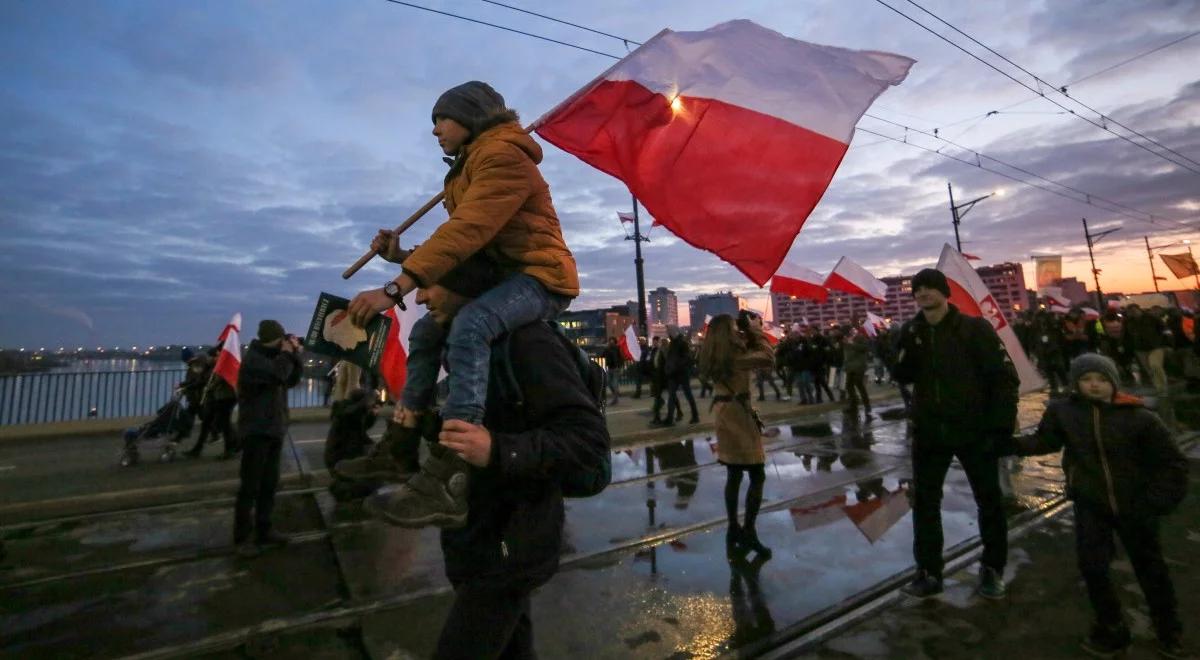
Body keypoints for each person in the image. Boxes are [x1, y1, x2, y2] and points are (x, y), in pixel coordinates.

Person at [345, 81, 579, 527]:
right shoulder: (469, 166)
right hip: (504, 276)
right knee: (426, 330)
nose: (435, 131)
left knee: (471, 324)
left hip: (539, 278)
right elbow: (466, 247)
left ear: (470, 116)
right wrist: (402, 256)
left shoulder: (503, 156)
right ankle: (400, 443)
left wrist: (395, 288)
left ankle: (450, 473)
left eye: (441, 120)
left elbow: (468, 230)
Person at [361, 253, 610, 658]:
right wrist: (420, 425)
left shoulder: (530, 343)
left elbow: (587, 440)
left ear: (466, 287)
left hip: (512, 540)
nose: (421, 298)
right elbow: (472, 429)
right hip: (473, 535)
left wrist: (497, 449)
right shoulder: (454, 342)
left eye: (430, 285)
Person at [999, 354, 1187, 658]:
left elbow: (1172, 463)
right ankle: (1111, 627)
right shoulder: (1064, 413)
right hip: (1091, 504)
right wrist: (1008, 443)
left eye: (1101, 379)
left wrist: (1157, 501)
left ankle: (1169, 630)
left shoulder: (1139, 417)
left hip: (1135, 505)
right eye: (1087, 380)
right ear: (1076, 384)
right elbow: (1045, 442)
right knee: (1093, 568)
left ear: (1112, 382)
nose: (1095, 385)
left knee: (1151, 569)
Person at [892, 269, 1019, 600]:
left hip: (973, 430)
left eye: (930, 288)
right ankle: (929, 571)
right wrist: (896, 349)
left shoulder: (974, 329)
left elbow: (1004, 379)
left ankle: (992, 569)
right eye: (918, 289)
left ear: (944, 292)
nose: (923, 294)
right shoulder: (913, 330)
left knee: (988, 502)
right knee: (925, 504)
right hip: (930, 432)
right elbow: (903, 375)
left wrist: (1000, 428)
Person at [700, 312, 775, 559]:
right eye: (734, 327)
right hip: (738, 416)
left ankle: (733, 528)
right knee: (757, 473)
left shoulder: (717, 354)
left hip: (725, 414)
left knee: (734, 474)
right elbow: (767, 357)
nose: (737, 330)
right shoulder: (734, 356)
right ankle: (749, 531)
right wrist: (755, 331)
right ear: (726, 332)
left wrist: (747, 335)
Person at [233, 320, 303, 558]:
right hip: (256, 431)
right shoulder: (254, 360)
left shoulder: (275, 358)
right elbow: (278, 374)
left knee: (269, 484)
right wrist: (286, 354)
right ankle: (242, 538)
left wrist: (295, 356)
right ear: (275, 339)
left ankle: (264, 529)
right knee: (250, 486)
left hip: (274, 429)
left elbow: (290, 379)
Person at [324, 388, 385, 502]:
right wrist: (371, 397)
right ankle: (344, 489)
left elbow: (364, 427)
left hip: (340, 461)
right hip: (339, 461)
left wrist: (373, 414)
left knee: (375, 466)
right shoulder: (347, 416)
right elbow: (356, 412)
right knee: (374, 481)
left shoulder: (349, 417)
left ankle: (346, 486)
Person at [661, 326, 700, 426]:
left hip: (682, 373)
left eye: (669, 332)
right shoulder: (672, 344)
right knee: (672, 396)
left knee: (688, 395)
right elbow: (670, 358)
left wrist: (675, 366)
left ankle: (695, 416)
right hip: (674, 374)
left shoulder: (682, 343)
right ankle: (670, 418)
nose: (668, 334)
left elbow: (686, 358)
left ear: (673, 333)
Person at [842, 321, 873, 421]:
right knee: (849, 386)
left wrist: (852, 344)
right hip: (850, 366)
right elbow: (846, 354)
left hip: (859, 366)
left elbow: (864, 348)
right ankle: (853, 405)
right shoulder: (845, 340)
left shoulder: (859, 337)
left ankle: (867, 406)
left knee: (859, 385)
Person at [601, 336, 624, 406]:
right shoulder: (607, 348)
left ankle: (615, 399)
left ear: (614, 341)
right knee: (608, 382)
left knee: (615, 383)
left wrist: (620, 366)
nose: (611, 341)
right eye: (610, 340)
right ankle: (616, 394)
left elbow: (621, 357)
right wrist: (604, 348)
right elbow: (602, 355)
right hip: (610, 368)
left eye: (612, 340)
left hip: (616, 368)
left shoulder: (617, 348)